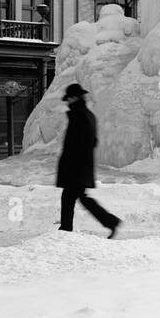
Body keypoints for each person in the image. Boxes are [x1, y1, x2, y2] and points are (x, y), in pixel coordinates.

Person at [56, 83, 121, 237]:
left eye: (69, 99)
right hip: (80, 167)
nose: (68, 102)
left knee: (73, 197)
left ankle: (67, 229)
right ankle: (67, 228)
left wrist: (72, 165)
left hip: (77, 167)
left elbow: (80, 143)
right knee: (75, 197)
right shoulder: (86, 114)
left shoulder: (79, 115)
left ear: (74, 97)